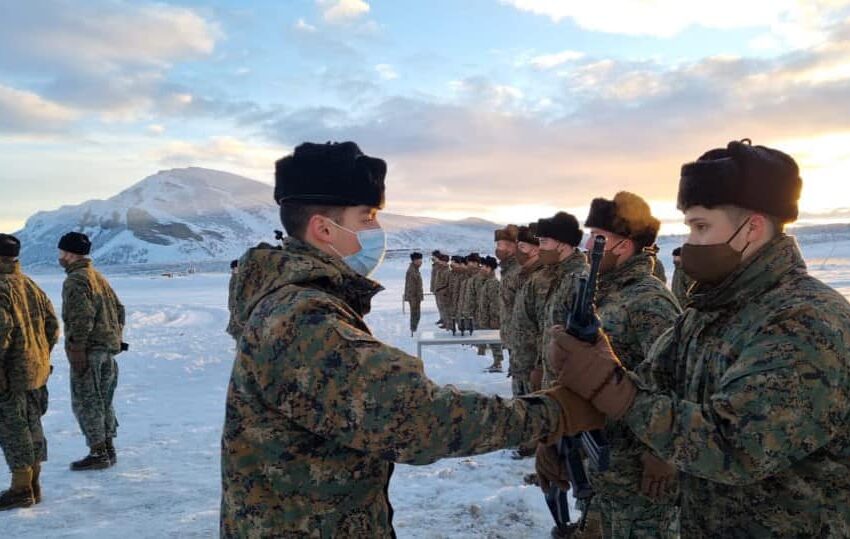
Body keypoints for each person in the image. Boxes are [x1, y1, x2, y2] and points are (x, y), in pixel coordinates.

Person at [219, 141, 601, 538]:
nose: (377, 231)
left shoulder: (297, 302)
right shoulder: (302, 320)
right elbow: (417, 417)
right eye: (366, 218)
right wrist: (553, 414)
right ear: (324, 229)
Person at [543, 139, 850, 537]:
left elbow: (736, 447)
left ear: (752, 228)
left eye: (701, 226)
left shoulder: (806, 320)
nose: (690, 244)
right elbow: (653, 383)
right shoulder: (711, 311)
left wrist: (613, 387)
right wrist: (564, 417)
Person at [542, 192, 681, 538]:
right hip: (604, 462)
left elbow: (675, 379)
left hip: (639, 472)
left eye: (597, 237)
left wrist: (663, 453)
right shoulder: (598, 293)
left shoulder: (649, 300)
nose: (587, 244)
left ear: (624, 245)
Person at [0, 234, 59, 509]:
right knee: (33, 426)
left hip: (9, 376)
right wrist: (39, 355)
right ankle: (33, 484)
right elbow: (52, 326)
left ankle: (21, 489)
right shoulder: (30, 284)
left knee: (14, 429)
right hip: (36, 371)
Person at [59, 232, 125, 470]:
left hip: (89, 351)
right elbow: (120, 310)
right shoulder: (98, 277)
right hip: (107, 350)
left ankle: (98, 452)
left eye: (61, 253)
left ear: (69, 253)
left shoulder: (76, 280)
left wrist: (76, 349)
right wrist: (114, 338)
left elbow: (80, 318)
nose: (60, 257)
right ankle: (108, 447)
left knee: (87, 401)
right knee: (104, 401)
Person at [505, 224, 542, 396]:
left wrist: (539, 367)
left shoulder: (541, 280)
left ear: (535, 250)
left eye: (522, 247)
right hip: (521, 364)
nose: (517, 251)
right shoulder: (524, 276)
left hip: (534, 370)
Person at [476, 256, 505, 372]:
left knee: (494, 341)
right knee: (492, 341)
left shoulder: (493, 283)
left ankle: (498, 363)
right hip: (486, 318)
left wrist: (494, 319)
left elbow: (494, 303)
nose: (482, 269)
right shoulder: (487, 282)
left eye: (484, 267)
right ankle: (496, 362)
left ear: (490, 268)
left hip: (492, 319)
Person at [403, 252, 424, 335]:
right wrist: (414, 298)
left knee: (416, 314)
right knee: (415, 314)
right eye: (419, 260)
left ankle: (414, 329)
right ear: (414, 261)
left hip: (415, 296)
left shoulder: (415, 269)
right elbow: (411, 287)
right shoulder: (412, 271)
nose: (421, 262)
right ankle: (413, 329)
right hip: (414, 297)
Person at [226, 259, 243, 340]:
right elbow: (231, 293)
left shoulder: (241, 278)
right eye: (233, 268)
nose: (234, 270)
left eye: (236, 268)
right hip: (233, 307)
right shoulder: (234, 277)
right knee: (236, 330)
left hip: (239, 308)